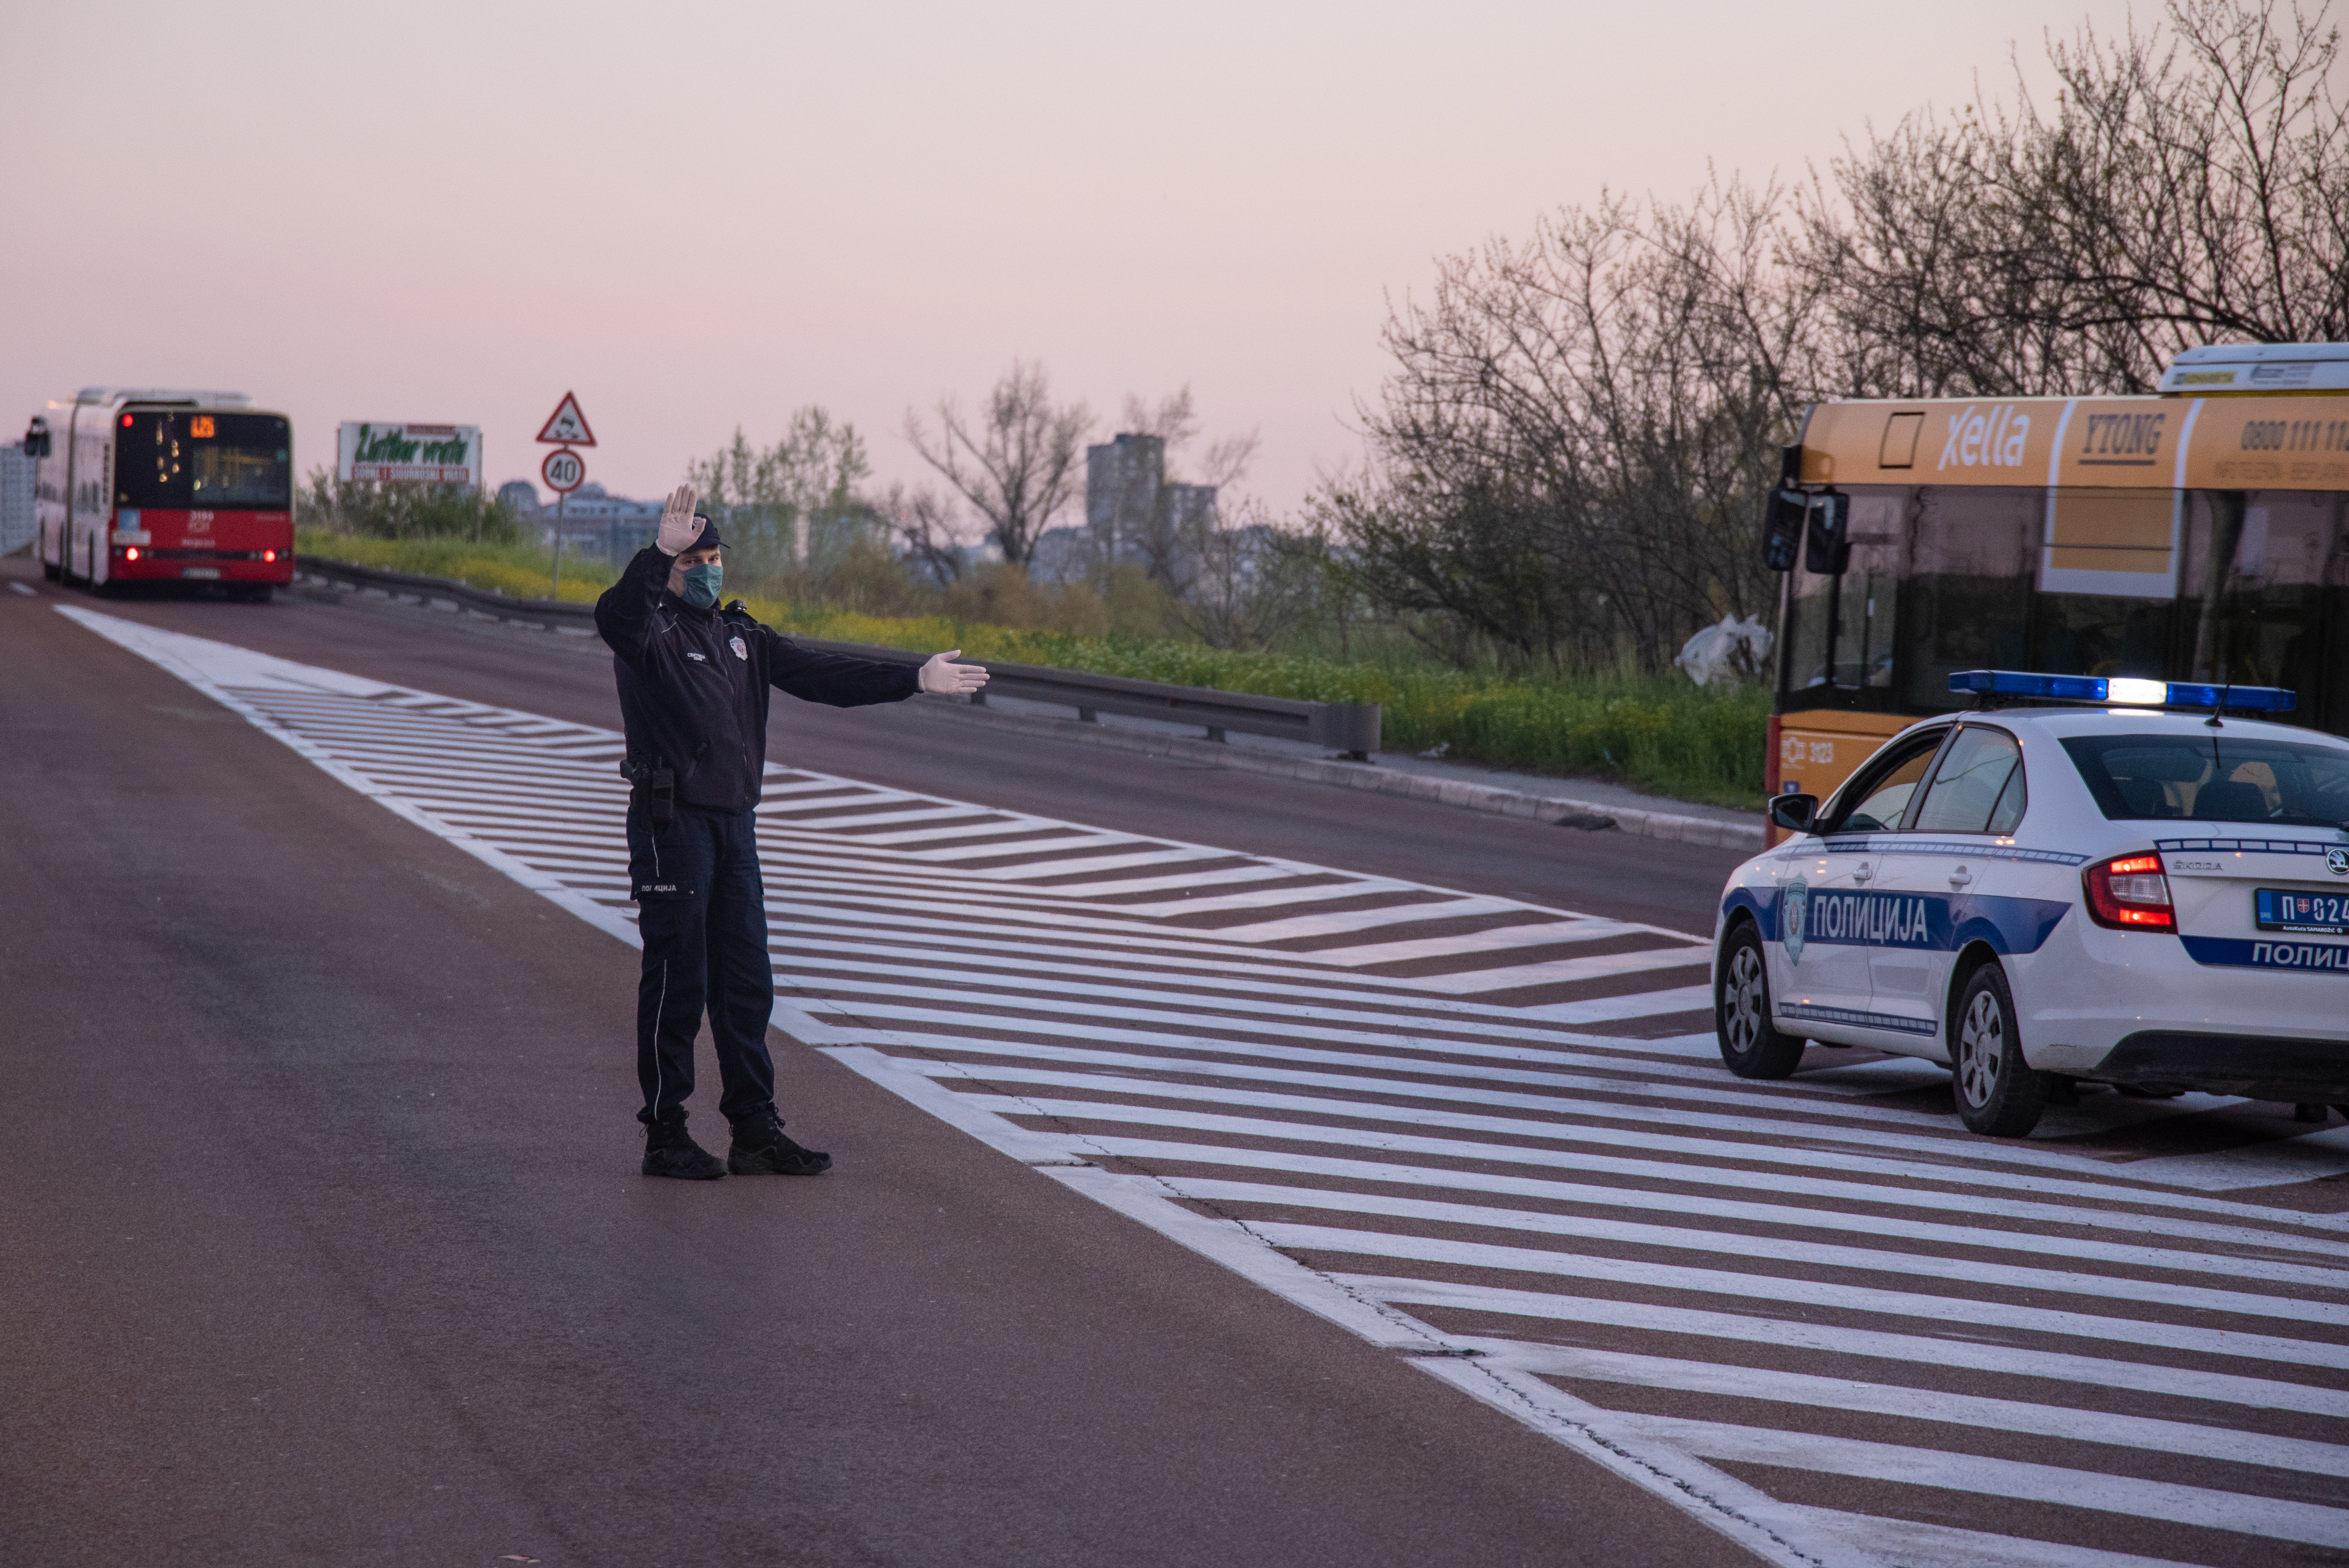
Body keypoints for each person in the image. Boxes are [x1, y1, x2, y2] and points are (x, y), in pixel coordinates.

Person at [594, 482, 989, 1180]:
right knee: (678, 979)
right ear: (672, 568)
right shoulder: (649, 633)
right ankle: (665, 1133)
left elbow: (824, 675)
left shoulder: (743, 636)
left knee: (747, 982)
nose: (707, 570)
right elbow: (615, 614)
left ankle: (754, 1128)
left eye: (714, 558)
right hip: (673, 825)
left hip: (735, 827)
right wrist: (656, 555)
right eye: (693, 561)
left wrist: (913, 679)